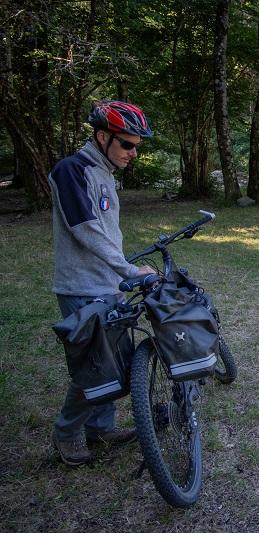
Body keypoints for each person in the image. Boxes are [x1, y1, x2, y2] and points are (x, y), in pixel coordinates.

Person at [48, 100, 155, 466]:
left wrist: (120, 273)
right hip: (81, 287)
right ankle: (67, 434)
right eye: (127, 144)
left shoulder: (103, 173)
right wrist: (127, 269)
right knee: (93, 365)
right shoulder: (71, 170)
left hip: (108, 284)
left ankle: (100, 427)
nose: (133, 153)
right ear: (101, 136)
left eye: (137, 146)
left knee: (112, 362)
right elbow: (85, 230)